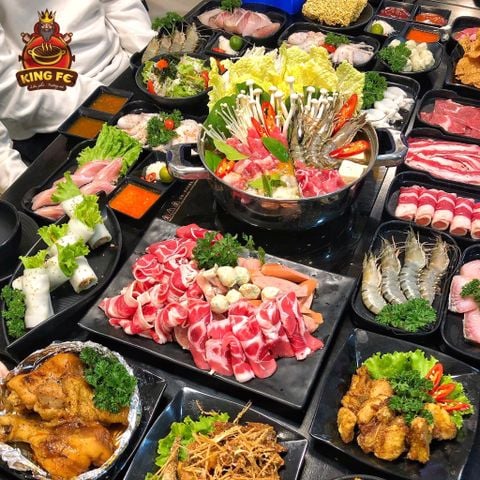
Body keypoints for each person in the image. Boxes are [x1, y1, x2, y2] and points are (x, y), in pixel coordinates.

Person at [0, 0, 156, 194]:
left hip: (124, 78)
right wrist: (107, 98)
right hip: (54, 121)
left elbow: (119, 4)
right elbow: (10, 92)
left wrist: (144, 61)